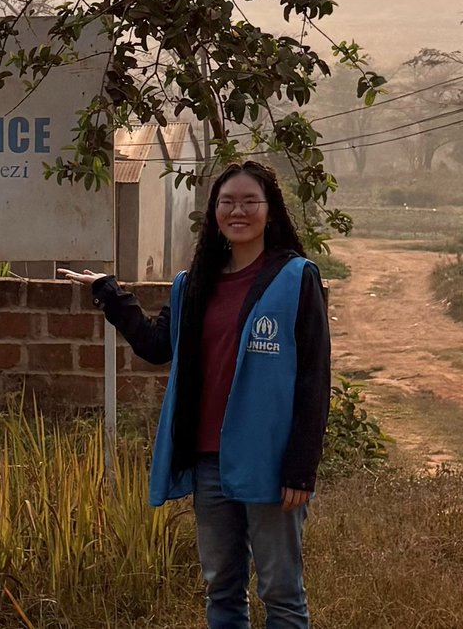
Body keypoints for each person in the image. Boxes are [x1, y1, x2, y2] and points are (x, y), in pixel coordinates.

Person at [59, 160, 330, 629]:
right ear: (214, 211)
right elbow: (155, 346)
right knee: (221, 587)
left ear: (270, 210)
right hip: (209, 462)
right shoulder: (195, 284)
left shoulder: (296, 277)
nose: (238, 211)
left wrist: (300, 468)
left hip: (268, 460)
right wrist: (109, 293)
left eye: (250, 201)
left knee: (280, 591)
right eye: (227, 202)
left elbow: (313, 379)